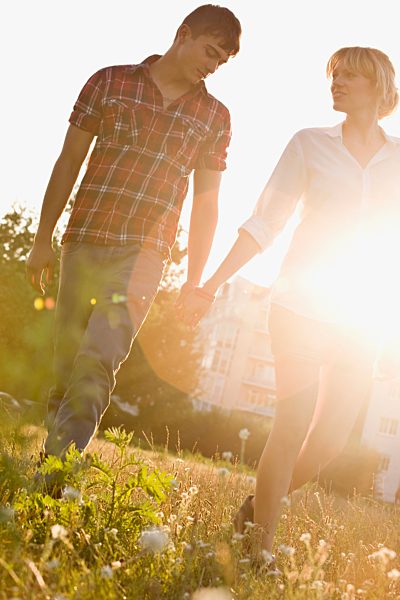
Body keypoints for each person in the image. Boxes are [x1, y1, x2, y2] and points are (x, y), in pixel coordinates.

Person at [178, 47, 400, 556]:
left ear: (379, 86)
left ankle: (256, 508)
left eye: (349, 75)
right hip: (299, 306)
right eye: (334, 74)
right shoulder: (308, 144)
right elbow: (265, 222)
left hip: (360, 318)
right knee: (291, 424)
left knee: (328, 443)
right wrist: (211, 284)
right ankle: (262, 547)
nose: (337, 82)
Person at [26, 5, 241, 463]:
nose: (212, 65)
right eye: (209, 51)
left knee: (99, 358)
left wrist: (194, 281)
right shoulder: (109, 81)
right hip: (85, 236)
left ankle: (55, 475)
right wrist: (42, 239)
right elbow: (68, 162)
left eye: (221, 61)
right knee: (66, 362)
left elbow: (207, 203)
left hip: (146, 254)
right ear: (183, 34)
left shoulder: (214, 116)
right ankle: (48, 463)